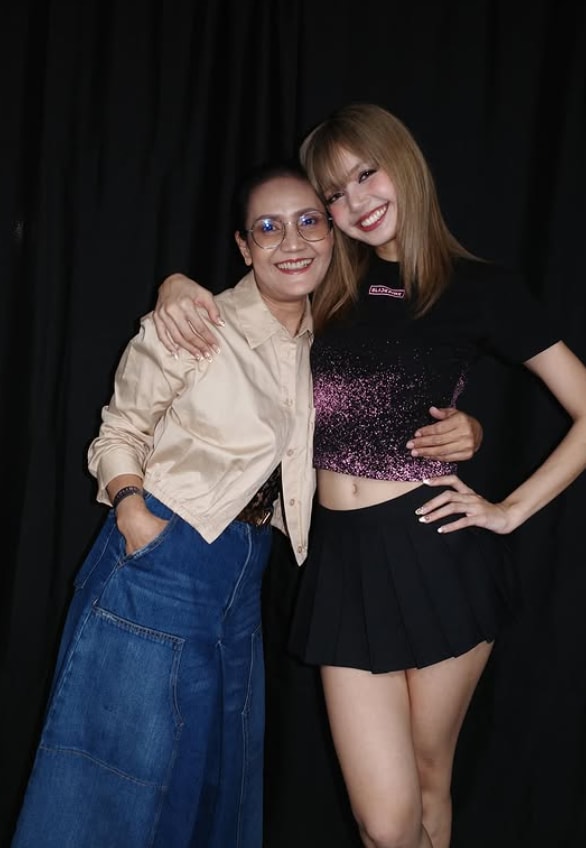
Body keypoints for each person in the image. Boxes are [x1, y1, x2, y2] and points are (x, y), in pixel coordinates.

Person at [150, 102, 586, 848]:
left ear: (403, 163)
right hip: (342, 564)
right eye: (335, 193)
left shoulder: (482, 288)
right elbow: (235, 310)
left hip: (437, 553)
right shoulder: (326, 286)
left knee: (429, 778)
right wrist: (173, 283)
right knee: (384, 823)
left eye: (365, 174)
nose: (355, 201)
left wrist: (511, 509)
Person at [11, 162, 335, 848]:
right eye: (268, 227)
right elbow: (118, 432)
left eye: (309, 221)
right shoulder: (195, 320)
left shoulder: (328, 343)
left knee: (215, 782)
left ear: (333, 232)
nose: (292, 241)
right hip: (163, 556)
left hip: (245, 573)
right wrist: (133, 515)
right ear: (244, 246)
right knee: (115, 781)